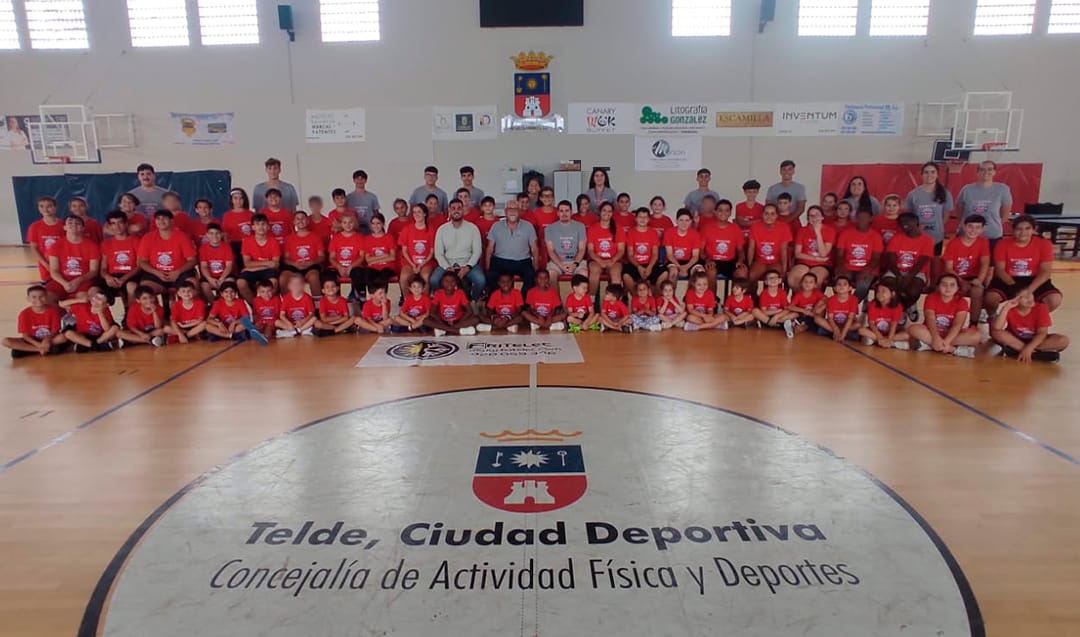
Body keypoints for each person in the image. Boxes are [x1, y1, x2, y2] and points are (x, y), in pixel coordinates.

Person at [984, 214, 1063, 314]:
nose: (1023, 232)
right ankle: (992, 318)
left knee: (1054, 299)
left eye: (1027, 228)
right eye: (1019, 229)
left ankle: (1031, 318)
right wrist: (1016, 288)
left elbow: (1045, 272)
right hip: (1008, 279)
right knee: (990, 298)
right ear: (1013, 230)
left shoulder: (1044, 244)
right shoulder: (1002, 244)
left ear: (1034, 230)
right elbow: (1000, 270)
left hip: (1034, 279)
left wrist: (1029, 291)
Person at [906, 274, 979, 358]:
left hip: (952, 334)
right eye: (944, 284)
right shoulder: (931, 298)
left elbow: (957, 325)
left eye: (952, 285)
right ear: (938, 286)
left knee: (976, 336)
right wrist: (936, 337)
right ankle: (952, 349)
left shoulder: (962, 302)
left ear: (958, 288)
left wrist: (946, 341)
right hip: (932, 332)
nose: (948, 288)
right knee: (913, 329)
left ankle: (934, 346)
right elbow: (930, 319)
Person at [991, 289, 1069, 362]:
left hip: (1036, 341)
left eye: (1030, 294)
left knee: (1063, 340)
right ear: (1014, 299)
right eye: (1023, 297)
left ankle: (1018, 351)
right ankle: (1036, 354)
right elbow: (997, 328)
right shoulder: (1010, 308)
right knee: (996, 333)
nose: (1029, 299)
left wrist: (1028, 349)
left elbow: (1041, 333)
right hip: (1015, 340)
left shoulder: (1041, 308)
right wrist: (1005, 308)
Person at [882, 212, 934, 318]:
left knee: (913, 292)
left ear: (915, 221)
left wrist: (909, 277)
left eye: (907, 221)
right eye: (901, 222)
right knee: (889, 287)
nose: (904, 224)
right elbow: (891, 259)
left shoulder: (927, 240)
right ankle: (898, 310)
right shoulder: (896, 238)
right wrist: (898, 275)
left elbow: (921, 262)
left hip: (917, 272)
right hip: (896, 270)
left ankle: (903, 309)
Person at [943, 214, 992, 324]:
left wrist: (980, 280)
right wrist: (960, 281)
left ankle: (973, 323)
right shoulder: (953, 243)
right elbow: (948, 268)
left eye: (977, 227)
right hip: (956, 276)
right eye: (970, 226)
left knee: (977, 291)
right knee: (951, 290)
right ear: (964, 227)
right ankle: (948, 321)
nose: (973, 230)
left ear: (982, 229)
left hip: (974, 277)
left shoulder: (983, 242)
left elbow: (985, 263)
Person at [137, 210, 197, 298]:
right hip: (156, 274)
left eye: (164, 218)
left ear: (171, 221)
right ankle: (156, 307)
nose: (161, 221)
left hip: (180, 273)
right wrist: (157, 273)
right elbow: (142, 261)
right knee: (144, 291)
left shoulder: (182, 236)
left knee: (193, 285)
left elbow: (192, 260)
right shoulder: (147, 238)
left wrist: (177, 272)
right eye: (158, 219)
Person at [432, 199, 484, 299]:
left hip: (468, 263)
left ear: (463, 210)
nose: (456, 211)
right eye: (453, 208)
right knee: (434, 280)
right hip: (448, 263)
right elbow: (438, 253)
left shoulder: (473, 228)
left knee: (480, 280)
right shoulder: (442, 229)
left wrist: (468, 267)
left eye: (459, 208)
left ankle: (473, 301)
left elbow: (477, 252)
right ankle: (443, 301)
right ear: (449, 211)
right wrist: (447, 267)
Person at [486, 200, 539, 296]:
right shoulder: (496, 226)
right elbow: (489, 249)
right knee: (490, 276)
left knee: (531, 276)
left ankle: (521, 301)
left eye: (515, 209)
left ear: (519, 211)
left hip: (523, 261)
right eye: (510, 209)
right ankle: (500, 301)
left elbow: (534, 249)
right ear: (505, 211)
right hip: (500, 261)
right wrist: (487, 268)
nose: (512, 211)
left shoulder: (528, 226)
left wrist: (536, 269)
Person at [955, 160, 1013, 248]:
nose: (986, 172)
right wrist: (967, 226)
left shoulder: (1002, 189)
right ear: (977, 172)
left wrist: (991, 226)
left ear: (994, 172)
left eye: (990, 169)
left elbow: (1005, 214)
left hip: (992, 236)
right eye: (982, 169)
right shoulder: (967, 189)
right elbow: (959, 212)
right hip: (968, 235)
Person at [45, 215, 100, 303]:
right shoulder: (56, 246)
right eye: (70, 223)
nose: (74, 225)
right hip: (61, 280)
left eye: (77, 223)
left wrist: (78, 281)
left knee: (83, 300)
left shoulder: (92, 246)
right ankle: (63, 309)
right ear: (64, 227)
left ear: (83, 228)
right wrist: (64, 283)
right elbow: (54, 271)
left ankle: (68, 307)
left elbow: (93, 271)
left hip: (83, 281)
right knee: (46, 299)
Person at [3, 285, 68, 358]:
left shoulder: (53, 311)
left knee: (63, 337)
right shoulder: (24, 314)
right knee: (6, 341)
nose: (38, 299)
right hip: (33, 340)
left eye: (41, 296)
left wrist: (46, 340)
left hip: (50, 339)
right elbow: (25, 336)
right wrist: (39, 345)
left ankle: (29, 349)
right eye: (34, 297)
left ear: (46, 297)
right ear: (28, 299)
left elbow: (55, 331)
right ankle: (40, 350)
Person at [835, 207, 884, 302]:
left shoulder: (876, 236)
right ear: (856, 218)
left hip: (868, 268)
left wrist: (865, 271)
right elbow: (839, 255)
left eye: (865, 217)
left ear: (871, 219)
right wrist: (842, 268)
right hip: (848, 267)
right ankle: (843, 304)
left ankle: (851, 305)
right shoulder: (846, 233)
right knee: (840, 283)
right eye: (859, 217)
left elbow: (876, 258)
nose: (862, 220)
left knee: (863, 286)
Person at [905, 161, 953, 253]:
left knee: (935, 260)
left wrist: (937, 226)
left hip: (937, 236)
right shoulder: (913, 194)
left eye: (932, 172)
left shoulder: (945, 193)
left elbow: (946, 214)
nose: (929, 175)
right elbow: (909, 216)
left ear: (937, 175)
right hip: (918, 235)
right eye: (926, 172)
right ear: (922, 175)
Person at [701, 199, 747, 289]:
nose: (723, 213)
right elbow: (701, 250)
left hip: (730, 262)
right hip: (712, 261)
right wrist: (707, 260)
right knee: (711, 272)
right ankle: (712, 297)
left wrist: (740, 260)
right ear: (715, 212)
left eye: (726, 210)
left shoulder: (735, 228)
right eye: (720, 210)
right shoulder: (707, 228)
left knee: (742, 272)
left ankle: (735, 297)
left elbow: (740, 250)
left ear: (730, 213)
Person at [788, 205, 834, 292]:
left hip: (822, 264)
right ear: (808, 218)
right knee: (793, 280)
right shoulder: (802, 231)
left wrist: (818, 233)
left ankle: (812, 300)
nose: (814, 218)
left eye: (817, 215)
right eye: (811, 216)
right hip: (804, 261)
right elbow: (798, 254)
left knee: (814, 282)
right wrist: (815, 258)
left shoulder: (830, 231)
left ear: (822, 217)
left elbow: (823, 254)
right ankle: (801, 298)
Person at [237, 213, 281, 303]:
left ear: (268, 227)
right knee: (240, 283)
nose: (261, 227)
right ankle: (255, 305)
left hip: (265, 271)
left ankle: (268, 305)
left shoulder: (274, 242)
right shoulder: (247, 241)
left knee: (273, 282)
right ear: (253, 227)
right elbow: (247, 263)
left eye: (263, 224)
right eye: (257, 224)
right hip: (255, 270)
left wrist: (252, 268)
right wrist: (268, 263)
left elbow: (275, 265)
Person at [100, 211, 142, 306]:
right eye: (113, 223)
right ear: (109, 226)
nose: (117, 226)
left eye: (120, 222)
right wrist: (108, 277)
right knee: (95, 291)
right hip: (113, 277)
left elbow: (140, 266)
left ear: (126, 224)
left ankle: (130, 313)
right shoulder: (106, 244)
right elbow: (103, 269)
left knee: (131, 286)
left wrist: (123, 279)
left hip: (131, 275)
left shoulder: (136, 241)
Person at [62, 287, 121, 352]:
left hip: (100, 336)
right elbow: (62, 304)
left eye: (99, 299)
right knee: (68, 333)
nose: (95, 299)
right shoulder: (83, 306)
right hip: (84, 335)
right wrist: (80, 300)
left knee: (115, 328)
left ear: (106, 305)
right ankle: (94, 346)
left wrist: (100, 313)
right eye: (96, 297)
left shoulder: (106, 312)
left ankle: (91, 345)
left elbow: (107, 329)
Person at [747, 204, 792, 288]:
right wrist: (749, 266)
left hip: (776, 261)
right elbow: (751, 248)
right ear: (762, 215)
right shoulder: (755, 227)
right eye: (766, 213)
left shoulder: (784, 228)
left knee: (775, 278)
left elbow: (784, 250)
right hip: (760, 261)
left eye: (772, 214)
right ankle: (754, 296)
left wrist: (784, 269)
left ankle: (775, 296)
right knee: (752, 276)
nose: (769, 216)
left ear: (777, 215)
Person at [586, 202, 626, 297]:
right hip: (596, 260)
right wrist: (600, 261)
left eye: (609, 211)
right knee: (594, 272)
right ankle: (591, 300)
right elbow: (590, 250)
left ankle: (614, 302)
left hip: (614, 260)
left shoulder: (618, 228)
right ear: (600, 212)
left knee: (616, 274)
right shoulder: (592, 228)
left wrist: (612, 260)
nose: (606, 213)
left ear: (612, 213)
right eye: (604, 210)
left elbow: (621, 250)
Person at [354, 212, 397, 300]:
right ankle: (372, 300)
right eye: (373, 223)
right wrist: (385, 256)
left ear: (383, 224)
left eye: (378, 223)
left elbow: (392, 257)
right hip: (374, 267)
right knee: (368, 275)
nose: (375, 226)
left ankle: (383, 300)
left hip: (387, 267)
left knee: (383, 276)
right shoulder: (367, 239)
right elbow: (368, 260)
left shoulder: (389, 237)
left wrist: (374, 259)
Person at [281, 210, 325, 294]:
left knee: (314, 277)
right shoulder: (288, 239)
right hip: (294, 266)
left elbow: (321, 256)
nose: (300, 221)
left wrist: (311, 262)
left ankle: (317, 301)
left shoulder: (316, 237)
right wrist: (295, 264)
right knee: (283, 278)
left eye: (303, 218)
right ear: (294, 222)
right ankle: (286, 301)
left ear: (307, 221)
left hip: (311, 266)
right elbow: (286, 258)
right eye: (297, 219)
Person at [398, 203, 437, 297]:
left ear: (425, 214)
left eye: (419, 212)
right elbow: (404, 251)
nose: (416, 214)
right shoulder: (407, 229)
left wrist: (421, 265)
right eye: (414, 212)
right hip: (409, 262)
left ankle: (424, 302)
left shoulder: (432, 230)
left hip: (426, 262)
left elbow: (432, 252)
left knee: (426, 277)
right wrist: (413, 265)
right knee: (403, 278)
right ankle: (408, 302)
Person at [25, 196, 66, 286]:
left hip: (63, 263)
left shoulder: (64, 225)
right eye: (42, 206)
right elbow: (34, 248)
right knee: (49, 287)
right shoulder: (34, 226)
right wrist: (45, 264)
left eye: (49, 206)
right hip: (45, 265)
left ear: (55, 207)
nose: (45, 209)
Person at [327, 212, 366, 303]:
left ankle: (360, 299)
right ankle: (335, 301)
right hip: (338, 266)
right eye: (345, 222)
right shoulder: (336, 238)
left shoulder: (360, 237)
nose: (348, 225)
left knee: (359, 274)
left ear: (354, 223)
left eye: (350, 222)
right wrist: (339, 267)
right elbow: (332, 257)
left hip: (355, 266)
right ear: (341, 224)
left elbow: (362, 257)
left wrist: (350, 267)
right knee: (327, 275)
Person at [545, 199, 588, 280]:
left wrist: (575, 264)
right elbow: (550, 251)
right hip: (557, 262)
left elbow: (582, 249)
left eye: (567, 211)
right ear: (557, 213)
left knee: (584, 273)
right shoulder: (549, 228)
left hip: (576, 261)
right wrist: (561, 266)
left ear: (571, 212)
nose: (564, 214)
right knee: (550, 274)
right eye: (561, 211)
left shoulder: (580, 226)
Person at [425, 271, 479, 336]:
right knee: (426, 321)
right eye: (446, 281)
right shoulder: (438, 293)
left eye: (452, 281)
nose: (449, 283)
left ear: (456, 282)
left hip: (458, 320)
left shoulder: (460, 293)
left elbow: (469, 311)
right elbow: (432, 312)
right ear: (442, 282)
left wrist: (459, 322)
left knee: (475, 319)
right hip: (443, 321)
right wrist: (441, 323)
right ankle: (458, 331)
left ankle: (444, 330)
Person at [622, 207, 661, 293]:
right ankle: (636, 297)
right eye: (640, 217)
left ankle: (655, 298)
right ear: (636, 218)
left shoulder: (653, 232)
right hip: (635, 264)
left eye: (645, 217)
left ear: (649, 219)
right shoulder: (631, 232)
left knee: (664, 273)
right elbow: (630, 255)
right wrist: (639, 267)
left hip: (650, 264)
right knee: (625, 275)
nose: (642, 219)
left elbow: (655, 254)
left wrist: (650, 267)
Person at [659, 208, 700, 291]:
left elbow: (695, 256)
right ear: (676, 221)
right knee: (673, 272)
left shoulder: (695, 234)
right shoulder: (669, 232)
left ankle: (691, 296)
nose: (684, 223)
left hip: (689, 261)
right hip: (674, 261)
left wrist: (686, 267)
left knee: (700, 272)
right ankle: (671, 296)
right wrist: (680, 267)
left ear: (690, 221)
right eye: (681, 220)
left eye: (687, 220)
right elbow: (670, 255)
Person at [859, 280, 907, 350]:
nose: (880, 294)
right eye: (878, 291)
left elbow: (894, 324)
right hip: (876, 332)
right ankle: (889, 343)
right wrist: (880, 337)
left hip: (892, 333)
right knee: (861, 330)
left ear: (892, 294)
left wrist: (889, 339)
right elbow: (871, 323)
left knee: (907, 335)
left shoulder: (898, 306)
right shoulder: (873, 304)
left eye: (883, 291)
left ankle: (880, 341)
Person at [814, 276, 860, 343]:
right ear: (835, 288)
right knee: (817, 319)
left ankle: (837, 334)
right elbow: (830, 318)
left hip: (846, 325)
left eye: (844, 284)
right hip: (833, 324)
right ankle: (837, 333)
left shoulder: (854, 299)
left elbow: (850, 318)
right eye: (839, 284)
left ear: (850, 288)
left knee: (857, 324)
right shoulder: (831, 300)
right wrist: (836, 330)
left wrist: (843, 335)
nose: (841, 286)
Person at [780, 272, 826, 338]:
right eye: (805, 282)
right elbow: (790, 306)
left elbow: (826, 300)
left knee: (820, 305)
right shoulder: (799, 294)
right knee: (793, 316)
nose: (808, 284)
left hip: (814, 316)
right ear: (801, 283)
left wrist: (819, 307)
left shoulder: (817, 293)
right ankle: (790, 326)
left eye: (811, 282)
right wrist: (803, 310)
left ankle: (796, 328)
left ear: (815, 285)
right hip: (803, 316)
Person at [198, 223, 234, 302]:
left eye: (217, 233)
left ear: (221, 234)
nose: (214, 236)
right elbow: (203, 266)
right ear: (207, 235)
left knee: (229, 283)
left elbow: (229, 266)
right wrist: (210, 279)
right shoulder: (203, 248)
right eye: (211, 233)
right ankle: (214, 304)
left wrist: (221, 279)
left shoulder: (227, 247)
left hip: (224, 275)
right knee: (204, 286)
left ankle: (226, 304)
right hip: (210, 276)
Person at [222, 188, 254, 266]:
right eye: (235, 198)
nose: (238, 201)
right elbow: (225, 234)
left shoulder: (251, 214)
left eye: (241, 198)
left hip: (249, 244)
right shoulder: (227, 215)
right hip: (235, 245)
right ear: (231, 200)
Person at [346, 169, 380, 234]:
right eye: (357, 179)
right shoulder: (348, 198)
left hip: (369, 229)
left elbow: (376, 214)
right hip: (353, 229)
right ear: (354, 180)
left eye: (362, 179)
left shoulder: (372, 197)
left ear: (366, 180)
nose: (360, 181)